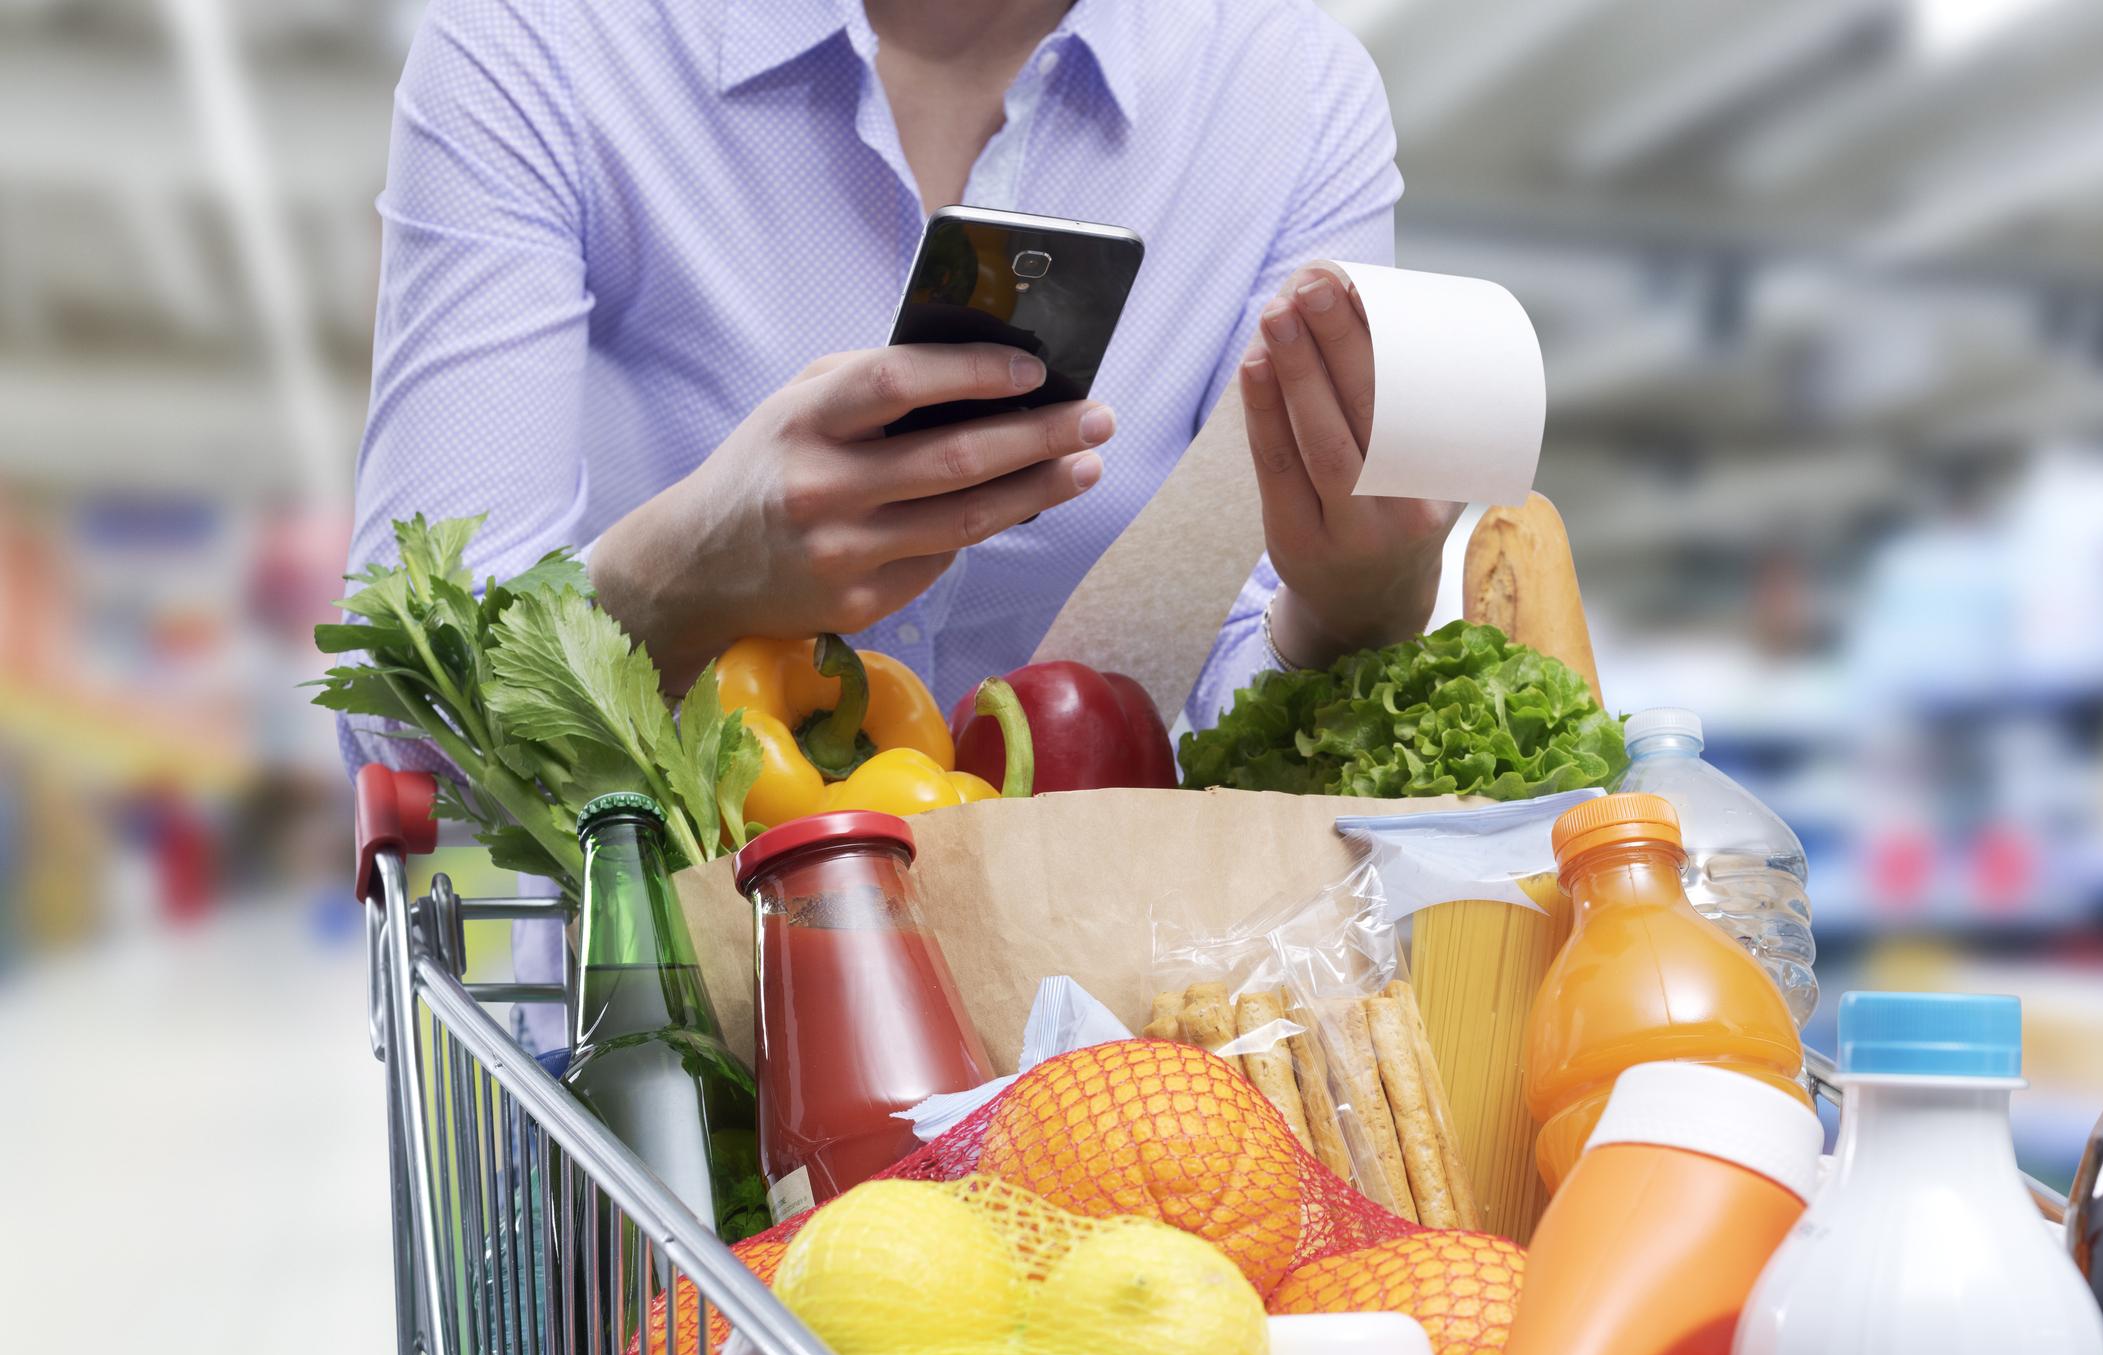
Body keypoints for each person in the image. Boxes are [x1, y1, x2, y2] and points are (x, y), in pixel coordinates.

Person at [346, 0, 1461, 1044]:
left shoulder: (1286, 93)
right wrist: (678, 577)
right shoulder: (546, 46)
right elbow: (407, 717)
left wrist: (1344, 611)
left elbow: (1223, 701)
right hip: (659, 1042)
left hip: (1084, 1035)